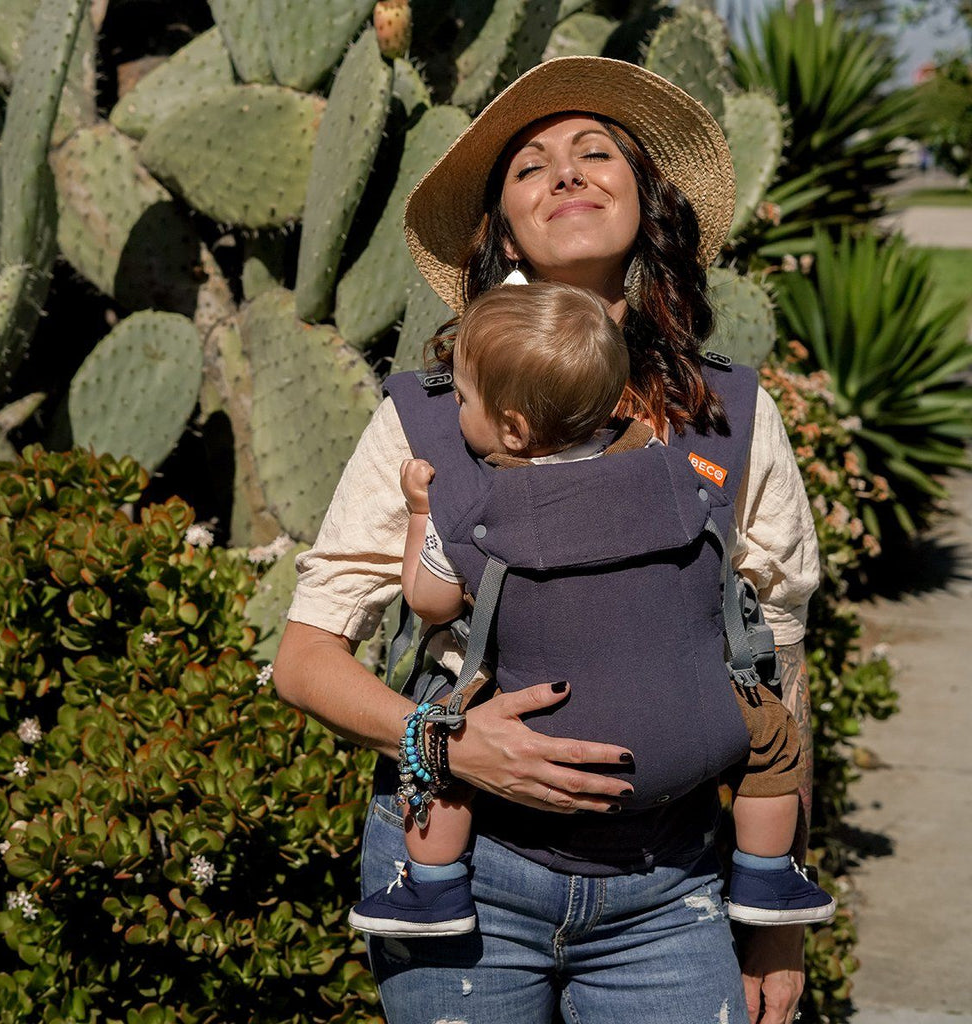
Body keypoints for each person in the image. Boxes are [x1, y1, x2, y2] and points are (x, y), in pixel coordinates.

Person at [275, 55, 820, 1024]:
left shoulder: (734, 414)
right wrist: (443, 741)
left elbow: (775, 662)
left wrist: (771, 916)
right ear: (499, 234)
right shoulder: (427, 420)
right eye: (528, 166)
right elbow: (305, 656)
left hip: (673, 888)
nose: (564, 172)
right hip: (462, 878)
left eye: (593, 151)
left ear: (645, 202)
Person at [346, 282, 834, 939]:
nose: (455, 408)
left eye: (462, 398)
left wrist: (421, 517)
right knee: (772, 739)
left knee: (444, 746)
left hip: (541, 724)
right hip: (686, 736)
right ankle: (767, 875)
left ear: (513, 426)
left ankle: (433, 888)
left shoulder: (482, 507)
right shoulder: (672, 474)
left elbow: (428, 600)